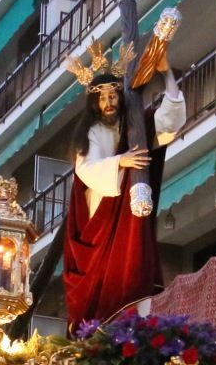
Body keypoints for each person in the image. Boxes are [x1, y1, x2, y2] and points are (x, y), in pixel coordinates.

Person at [61, 35, 185, 327]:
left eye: (113, 95)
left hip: (129, 222)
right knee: (104, 285)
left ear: (121, 96)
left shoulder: (136, 126)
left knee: (133, 269)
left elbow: (170, 120)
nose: (108, 102)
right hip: (98, 223)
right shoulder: (89, 133)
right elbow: (87, 170)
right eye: (102, 97)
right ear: (93, 101)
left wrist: (166, 73)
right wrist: (121, 162)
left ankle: (136, 331)